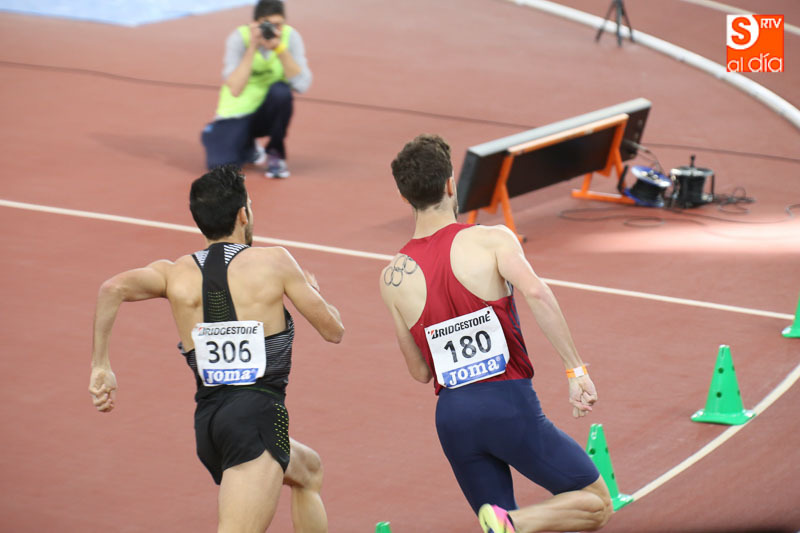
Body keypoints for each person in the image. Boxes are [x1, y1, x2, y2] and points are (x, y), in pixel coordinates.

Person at [89, 164, 343, 532]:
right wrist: (316, 294)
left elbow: (112, 289)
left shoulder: (173, 273)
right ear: (243, 215)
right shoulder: (275, 262)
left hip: (211, 423)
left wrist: (101, 365)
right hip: (258, 419)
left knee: (309, 470)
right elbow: (333, 330)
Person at [379, 134, 613, 533]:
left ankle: (507, 523)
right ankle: (515, 522)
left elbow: (419, 372)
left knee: (497, 528)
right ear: (451, 184)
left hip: (453, 420)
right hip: (509, 406)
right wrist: (576, 370)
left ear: (404, 197)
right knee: (596, 504)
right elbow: (537, 293)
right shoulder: (491, 240)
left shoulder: (391, 278)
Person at [201, 0, 312, 179]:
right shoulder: (239, 38)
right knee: (220, 165)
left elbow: (302, 85)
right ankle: (243, 143)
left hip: (267, 110)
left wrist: (279, 49)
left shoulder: (290, 37)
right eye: (268, 24)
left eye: (278, 24)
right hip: (239, 110)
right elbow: (235, 89)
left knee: (281, 92)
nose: (273, 30)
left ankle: (275, 152)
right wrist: (253, 46)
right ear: (254, 23)